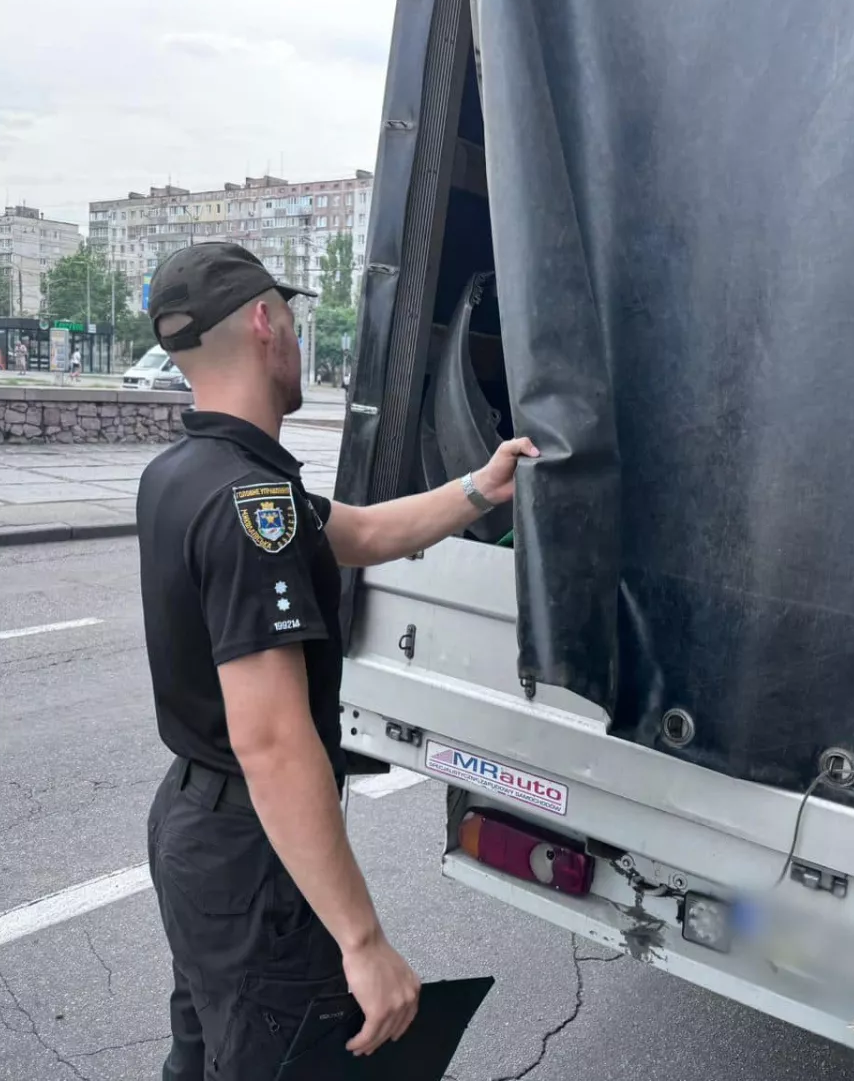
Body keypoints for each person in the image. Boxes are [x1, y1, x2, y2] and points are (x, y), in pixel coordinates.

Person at [137, 242, 537, 1081]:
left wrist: (479, 487)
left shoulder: (184, 473)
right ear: (263, 322)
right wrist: (363, 942)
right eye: (290, 318)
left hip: (193, 831)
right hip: (253, 853)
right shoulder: (253, 505)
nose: (295, 336)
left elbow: (358, 532)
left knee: (207, 1055)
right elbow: (273, 743)